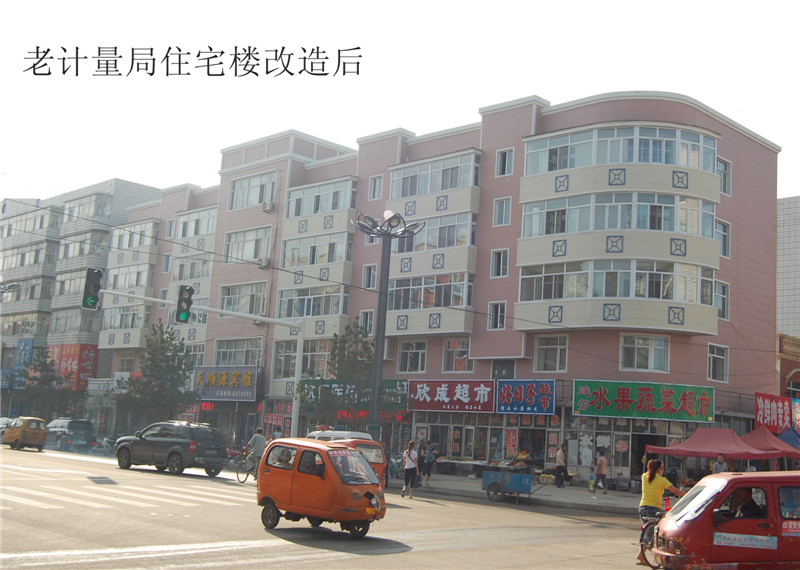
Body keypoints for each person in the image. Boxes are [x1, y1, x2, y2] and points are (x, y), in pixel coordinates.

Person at [637, 459, 686, 565]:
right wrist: (687, 495)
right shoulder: (662, 480)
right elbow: (676, 491)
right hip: (654, 509)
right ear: (659, 469)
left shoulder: (644, 476)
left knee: (648, 532)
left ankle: (641, 555)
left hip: (642, 508)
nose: (663, 470)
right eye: (662, 468)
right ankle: (642, 556)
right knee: (655, 532)